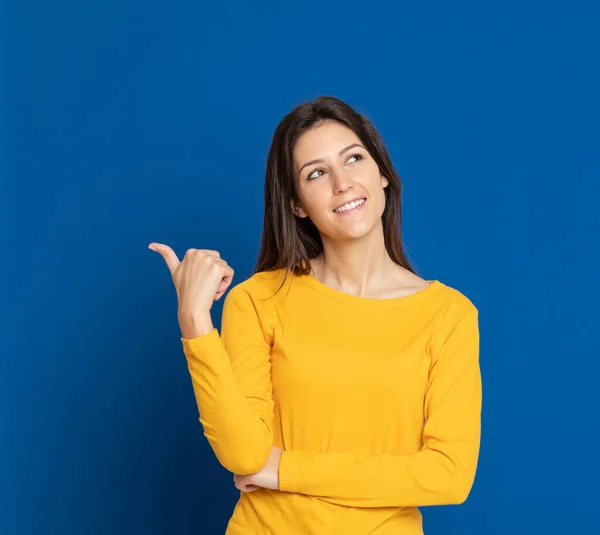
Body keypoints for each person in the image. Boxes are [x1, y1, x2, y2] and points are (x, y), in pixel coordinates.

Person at [148, 96, 482, 534]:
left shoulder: (447, 315)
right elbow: (245, 455)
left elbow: (448, 476)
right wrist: (194, 321)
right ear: (297, 204)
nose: (342, 183)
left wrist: (286, 469)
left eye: (354, 159)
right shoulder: (258, 299)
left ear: (382, 173)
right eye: (317, 173)